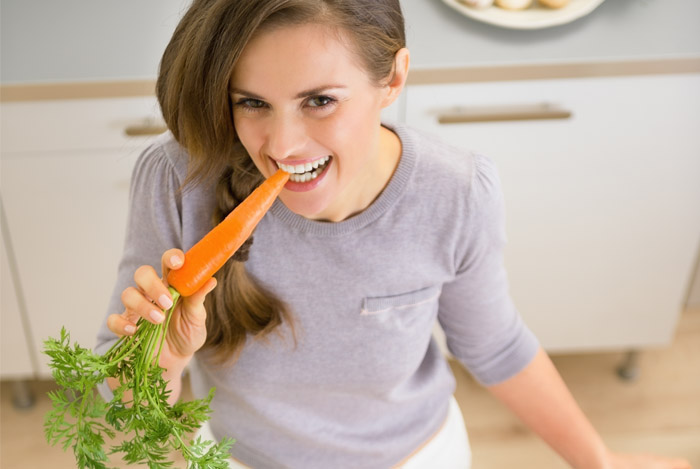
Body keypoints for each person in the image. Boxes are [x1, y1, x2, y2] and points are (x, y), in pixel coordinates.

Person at [97, 1, 692, 468]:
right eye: (252, 102)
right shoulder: (180, 177)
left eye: (320, 101)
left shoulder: (454, 191)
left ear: (393, 79)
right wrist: (163, 362)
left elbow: (496, 346)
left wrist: (600, 460)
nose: (281, 146)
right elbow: (122, 413)